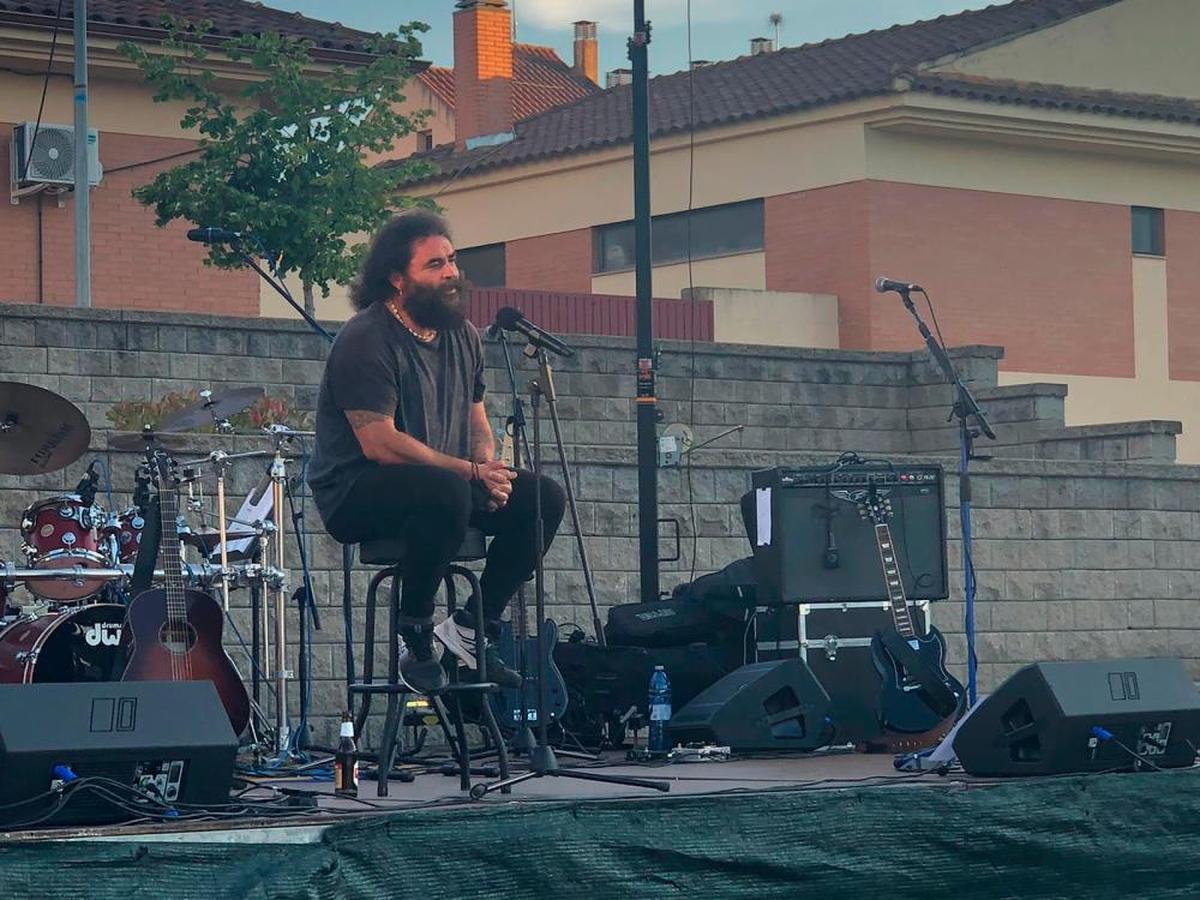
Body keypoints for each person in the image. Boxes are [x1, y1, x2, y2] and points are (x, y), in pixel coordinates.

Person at [308, 210, 566, 694]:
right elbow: (379, 442)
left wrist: (489, 469)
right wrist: (468, 472)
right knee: (445, 490)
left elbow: (476, 417)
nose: (450, 272)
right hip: (357, 491)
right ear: (397, 278)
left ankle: (471, 628)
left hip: (443, 484)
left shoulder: (463, 335)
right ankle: (417, 632)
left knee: (542, 499)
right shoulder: (365, 338)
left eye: (452, 260)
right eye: (434, 265)